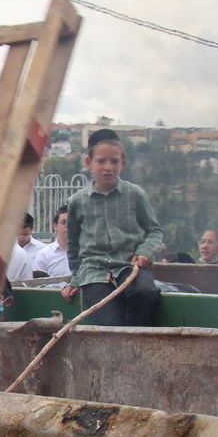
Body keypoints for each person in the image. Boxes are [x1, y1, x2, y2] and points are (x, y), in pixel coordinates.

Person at [61, 129, 163, 326]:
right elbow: (73, 244)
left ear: (122, 163)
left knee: (146, 293)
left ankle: (135, 342)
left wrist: (145, 252)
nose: (108, 167)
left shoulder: (135, 195)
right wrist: (76, 278)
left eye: (114, 161)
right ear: (88, 163)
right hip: (94, 271)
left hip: (129, 265)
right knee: (107, 320)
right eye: (101, 161)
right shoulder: (77, 201)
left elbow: (154, 231)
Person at [31, 206, 72, 278]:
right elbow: (38, 284)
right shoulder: (45, 254)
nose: (68, 226)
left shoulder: (87, 252)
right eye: (63, 222)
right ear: (55, 225)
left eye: (71, 222)